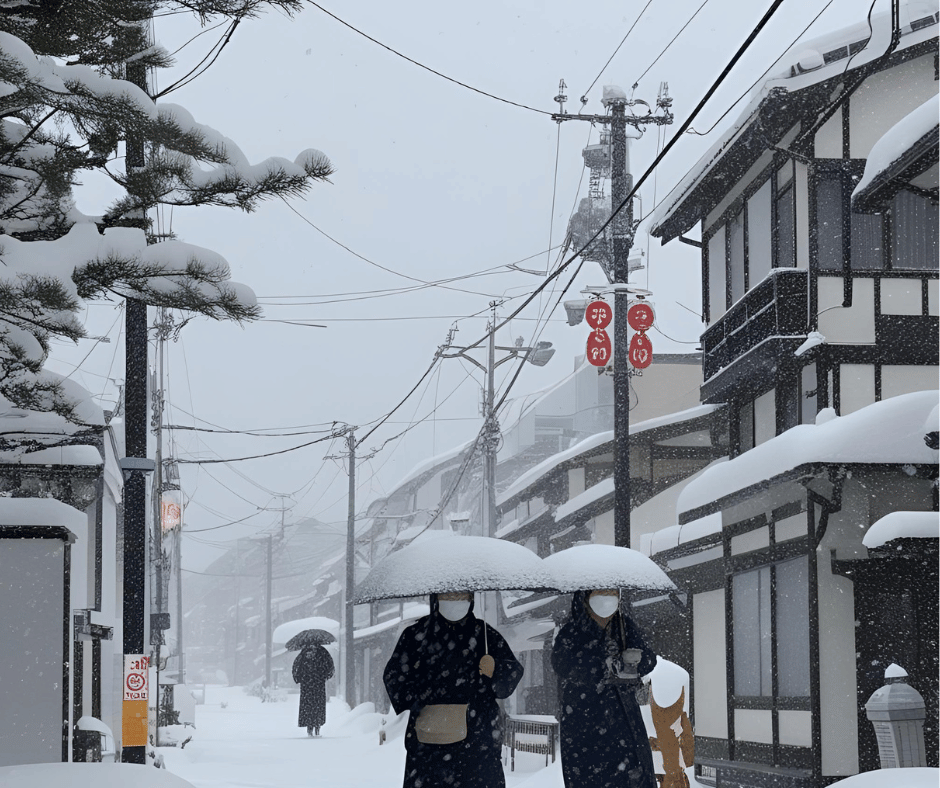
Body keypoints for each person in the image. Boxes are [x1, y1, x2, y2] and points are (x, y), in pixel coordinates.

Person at [383, 590, 524, 788]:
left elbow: (512, 674)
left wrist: (496, 669)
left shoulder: (485, 635)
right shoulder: (416, 636)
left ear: (471, 599)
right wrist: (420, 698)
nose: (455, 601)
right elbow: (394, 677)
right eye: (448, 596)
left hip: (478, 744)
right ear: (435, 598)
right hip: (429, 746)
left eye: (461, 596)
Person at [551, 588, 657, 788]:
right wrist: (600, 662)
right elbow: (562, 664)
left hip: (625, 718)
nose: (608, 599)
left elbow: (649, 658)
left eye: (613, 593)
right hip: (585, 723)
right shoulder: (572, 631)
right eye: (601, 592)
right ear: (585, 597)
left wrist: (633, 663)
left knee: (633, 776)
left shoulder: (625, 627)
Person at [292, 643, 334, 737]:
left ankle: (309, 728)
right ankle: (317, 727)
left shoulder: (303, 653)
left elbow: (296, 667)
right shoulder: (322, 652)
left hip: (307, 685)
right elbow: (329, 666)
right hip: (318, 683)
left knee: (308, 707)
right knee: (318, 706)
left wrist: (300, 678)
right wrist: (324, 675)